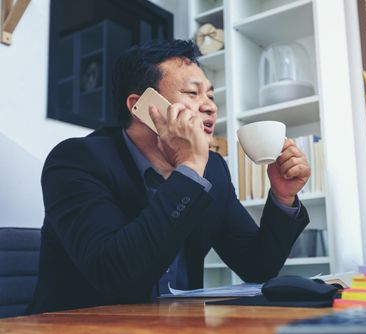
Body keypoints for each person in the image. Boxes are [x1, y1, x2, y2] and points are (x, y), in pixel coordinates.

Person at [26, 39, 311, 314]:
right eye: (192, 93)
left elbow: (256, 266)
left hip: (178, 332)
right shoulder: (76, 161)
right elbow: (115, 277)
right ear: (142, 106)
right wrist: (188, 169)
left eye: (210, 95)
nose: (210, 105)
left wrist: (283, 198)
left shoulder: (212, 169)